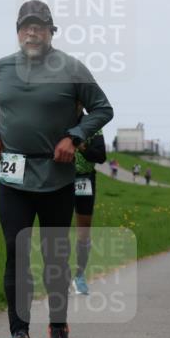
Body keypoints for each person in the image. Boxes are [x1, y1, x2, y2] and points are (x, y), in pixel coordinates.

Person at [0, 0, 114, 338]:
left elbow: (103, 109)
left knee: (55, 255)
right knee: (16, 250)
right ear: (18, 32)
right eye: (26, 26)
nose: (32, 32)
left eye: (39, 26)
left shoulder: (71, 68)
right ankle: (19, 334)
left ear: (51, 32)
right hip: (13, 175)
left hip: (56, 176)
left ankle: (58, 328)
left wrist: (74, 137)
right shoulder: (1, 69)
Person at [72, 117, 106, 297]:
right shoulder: (56, 116)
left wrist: (81, 145)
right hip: (59, 177)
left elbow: (101, 156)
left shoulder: (92, 125)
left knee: (84, 230)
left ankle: (79, 274)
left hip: (84, 178)